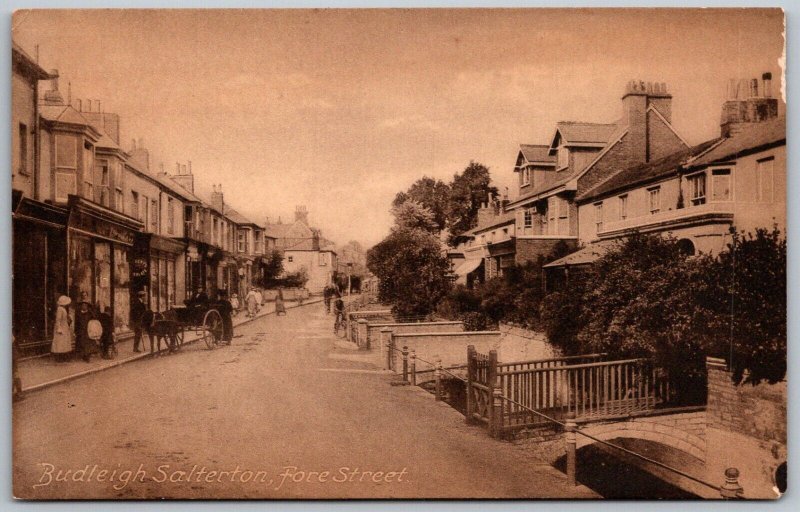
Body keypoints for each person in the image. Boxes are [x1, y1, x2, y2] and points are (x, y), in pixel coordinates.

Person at [74, 292, 98, 362]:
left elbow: (94, 319)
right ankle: (83, 355)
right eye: (83, 305)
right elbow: (77, 322)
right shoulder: (78, 312)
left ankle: (87, 356)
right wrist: (75, 331)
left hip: (88, 330)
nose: (84, 306)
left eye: (85, 305)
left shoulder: (89, 312)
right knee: (81, 342)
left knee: (88, 343)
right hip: (81, 330)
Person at [51, 295, 73, 362]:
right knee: (60, 342)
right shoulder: (60, 309)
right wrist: (59, 328)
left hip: (64, 326)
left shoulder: (63, 309)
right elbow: (58, 320)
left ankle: (63, 356)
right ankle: (59, 357)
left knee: (64, 342)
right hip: (62, 327)